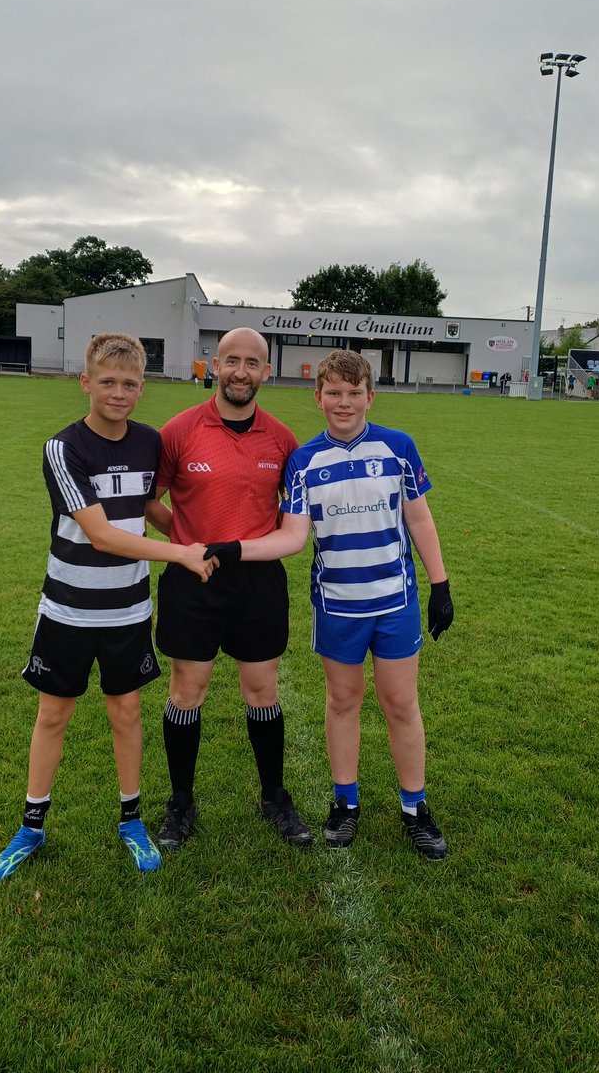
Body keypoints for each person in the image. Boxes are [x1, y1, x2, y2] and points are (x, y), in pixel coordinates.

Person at [0, 334, 216, 881]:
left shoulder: (150, 442)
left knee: (126, 711)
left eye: (129, 383)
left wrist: (201, 539)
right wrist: (180, 554)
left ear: (142, 386)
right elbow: (102, 535)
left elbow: (147, 506)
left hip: (129, 610)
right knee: (54, 713)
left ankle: (131, 820)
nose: (118, 392)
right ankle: (31, 827)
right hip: (67, 609)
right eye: (106, 382)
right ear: (85, 382)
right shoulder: (64, 448)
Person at [209, 350, 454, 861]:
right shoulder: (303, 461)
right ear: (318, 397)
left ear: (371, 395)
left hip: (395, 601)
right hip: (338, 605)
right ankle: (346, 803)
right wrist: (235, 549)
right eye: (334, 393)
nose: (344, 403)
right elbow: (292, 537)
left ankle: (416, 808)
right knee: (343, 702)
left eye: (354, 392)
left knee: (401, 703)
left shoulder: (398, 447)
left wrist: (440, 583)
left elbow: (420, 520)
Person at [152, 327, 312, 850]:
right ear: (213, 366)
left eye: (253, 363)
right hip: (193, 578)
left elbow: (296, 513)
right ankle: (180, 804)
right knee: (186, 690)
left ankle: (273, 798)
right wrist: (181, 540)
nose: (241, 372)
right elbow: (150, 499)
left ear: (266, 372)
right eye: (232, 361)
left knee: (262, 690)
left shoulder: (283, 440)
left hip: (258, 583)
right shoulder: (178, 431)